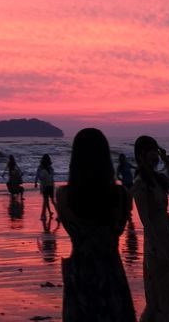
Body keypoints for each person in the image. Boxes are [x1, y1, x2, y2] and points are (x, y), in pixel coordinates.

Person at [56, 127, 135, 321]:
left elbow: (70, 228)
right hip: (110, 271)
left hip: (80, 272)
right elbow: (120, 227)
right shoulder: (121, 196)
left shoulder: (64, 196)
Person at [131, 136, 169, 322]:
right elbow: (145, 220)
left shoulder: (158, 179)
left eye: (156, 150)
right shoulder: (140, 183)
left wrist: (167, 161)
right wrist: (159, 248)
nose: (155, 155)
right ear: (141, 155)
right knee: (159, 293)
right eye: (151, 151)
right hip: (156, 244)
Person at [36, 154, 57, 220]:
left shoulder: (41, 167)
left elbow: (38, 176)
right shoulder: (50, 168)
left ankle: (43, 215)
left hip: (45, 185)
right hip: (51, 185)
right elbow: (52, 176)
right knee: (52, 201)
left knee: (45, 201)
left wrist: (36, 182)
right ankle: (59, 214)